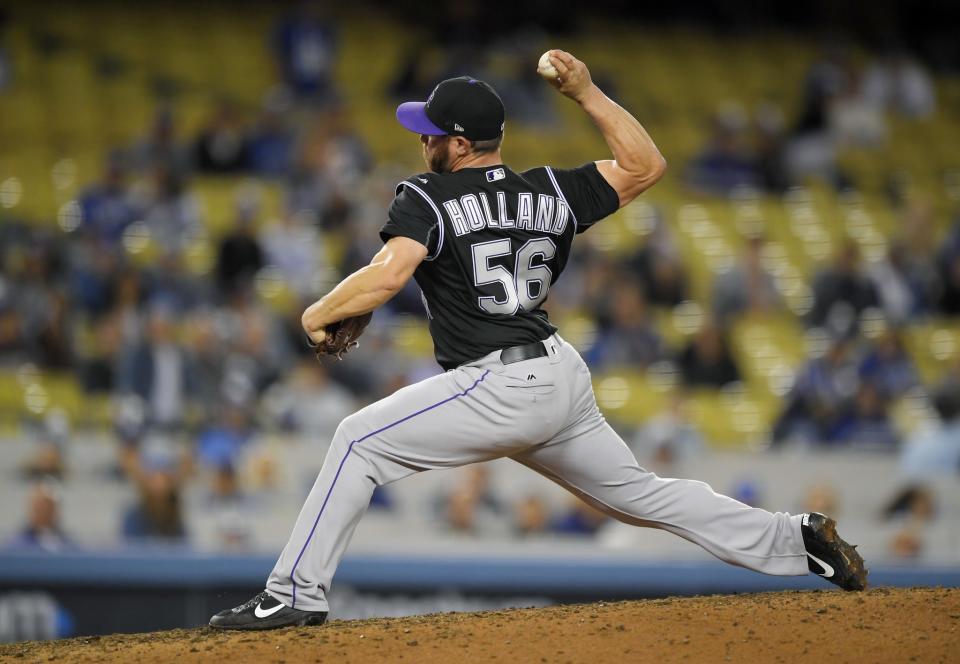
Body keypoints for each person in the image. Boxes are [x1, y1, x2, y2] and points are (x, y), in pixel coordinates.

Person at [209, 50, 866, 631]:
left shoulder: (429, 194)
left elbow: (389, 274)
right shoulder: (549, 189)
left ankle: (292, 595)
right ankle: (795, 538)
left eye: (432, 133)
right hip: (558, 376)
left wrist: (316, 311)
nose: (423, 142)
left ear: (460, 146)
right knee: (641, 495)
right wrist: (586, 92)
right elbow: (647, 164)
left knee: (356, 440)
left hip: (498, 384)